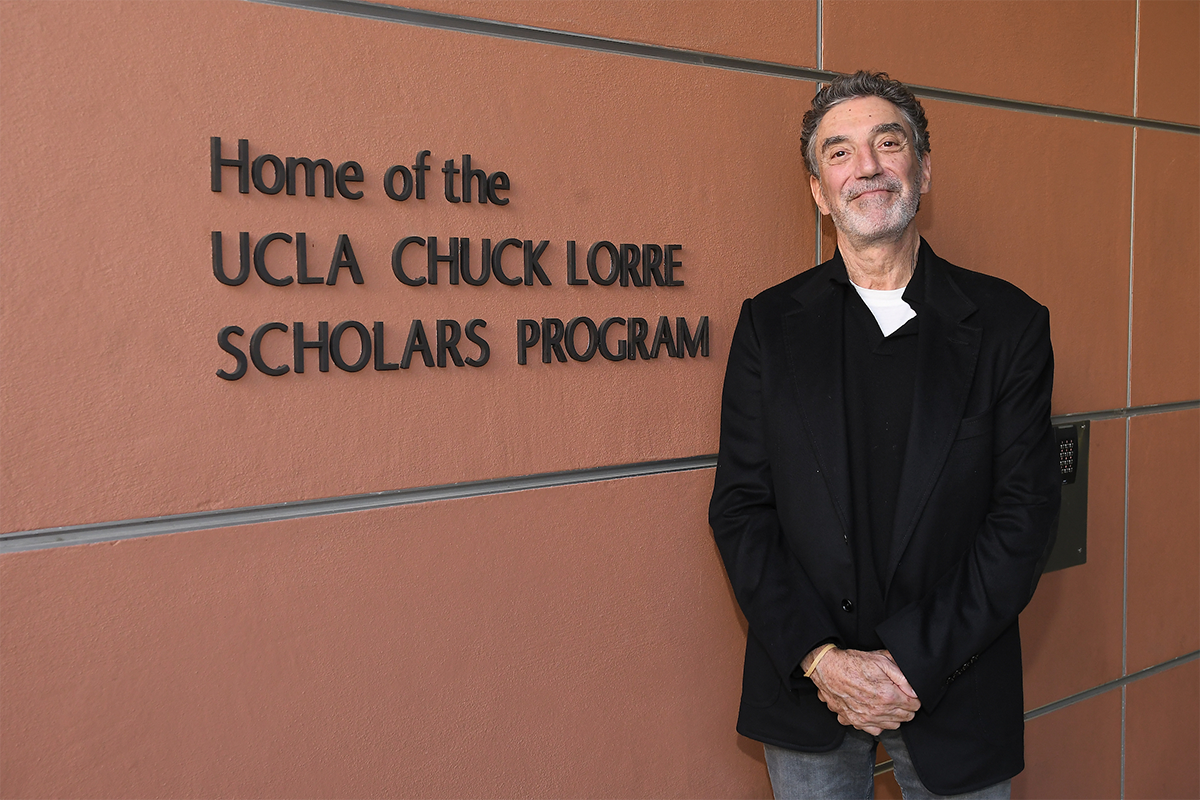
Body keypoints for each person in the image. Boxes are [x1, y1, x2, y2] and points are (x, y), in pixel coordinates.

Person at [708, 71, 1061, 799]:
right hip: (809, 689)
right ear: (817, 187)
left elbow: (1023, 519)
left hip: (954, 685)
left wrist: (908, 664)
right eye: (838, 153)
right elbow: (742, 509)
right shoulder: (769, 328)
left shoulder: (1009, 326)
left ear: (923, 167)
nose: (865, 167)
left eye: (887, 143)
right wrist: (823, 660)